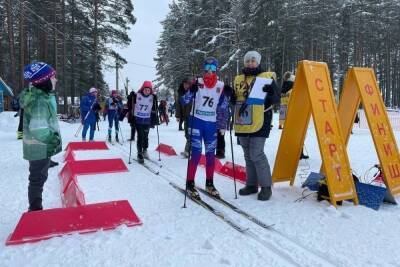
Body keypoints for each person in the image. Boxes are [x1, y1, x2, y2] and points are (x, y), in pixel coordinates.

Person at [232, 51, 280, 201]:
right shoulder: (239, 79)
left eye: (253, 61)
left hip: (261, 119)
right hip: (243, 120)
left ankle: (266, 186)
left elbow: (276, 97)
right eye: (247, 61)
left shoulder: (266, 77)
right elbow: (236, 98)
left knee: (256, 153)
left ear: (258, 62)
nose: (250, 63)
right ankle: (251, 184)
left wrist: (271, 93)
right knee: (247, 154)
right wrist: (231, 97)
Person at [181, 57, 231, 198]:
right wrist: (191, 91)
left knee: (210, 155)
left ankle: (210, 183)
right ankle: (190, 183)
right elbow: (184, 101)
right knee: (196, 153)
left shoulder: (220, 86)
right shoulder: (197, 82)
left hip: (211, 124)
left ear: (216, 69)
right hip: (196, 121)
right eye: (207, 67)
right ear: (204, 68)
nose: (210, 71)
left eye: (213, 68)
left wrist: (227, 96)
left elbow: (223, 107)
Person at [21, 62, 62, 211]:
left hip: (37, 146)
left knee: (37, 177)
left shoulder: (40, 95)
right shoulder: (40, 101)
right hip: (40, 146)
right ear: (44, 81)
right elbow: (39, 130)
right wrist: (54, 139)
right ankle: (35, 209)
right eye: (53, 78)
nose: (56, 80)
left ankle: (35, 206)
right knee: (38, 179)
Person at [134, 81, 158, 163]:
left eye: (148, 90)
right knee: (140, 136)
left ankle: (145, 150)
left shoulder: (152, 97)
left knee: (146, 136)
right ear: (142, 89)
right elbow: (131, 103)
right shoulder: (137, 95)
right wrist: (131, 96)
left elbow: (155, 108)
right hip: (139, 120)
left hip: (147, 120)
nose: (147, 91)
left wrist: (156, 99)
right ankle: (139, 153)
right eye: (145, 90)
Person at [176, 78, 193, 157]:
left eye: (188, 84)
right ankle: (190, 149)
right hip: (185, 116)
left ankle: (187, 150)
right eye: (185, 84)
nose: (186, 85)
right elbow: (178, 105)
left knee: (190, 134)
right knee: (186, 134)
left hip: (192, 116)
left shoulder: (192, 92)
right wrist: (178, 116)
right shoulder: (180, 93)